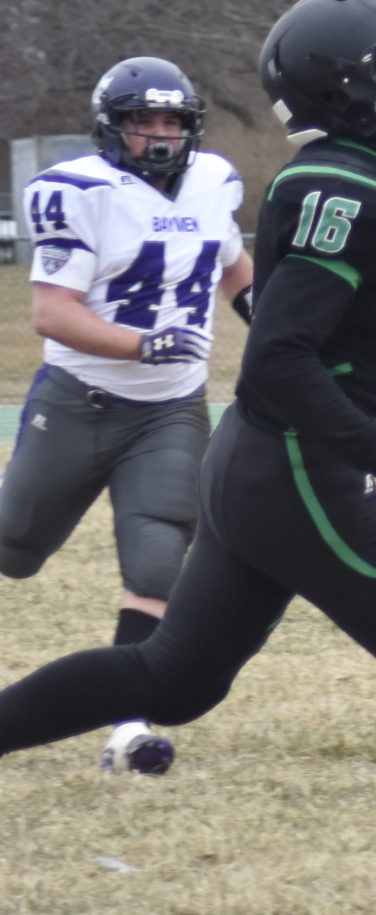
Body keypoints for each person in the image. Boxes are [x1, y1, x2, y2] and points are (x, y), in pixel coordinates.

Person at [0, 0, 376, 915]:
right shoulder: (337, 185)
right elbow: (281, 359)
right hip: (295, 468)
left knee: (172, 681)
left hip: (268, 464)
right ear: (344, 88)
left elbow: (354, 337)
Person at [9, 57, 255, 775]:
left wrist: (275, 325)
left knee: (156, 562)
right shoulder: (77, 190)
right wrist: (143, 341)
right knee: (15, 546)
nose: (157, 134)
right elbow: (51, 313)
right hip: (78, 399)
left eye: (171, 121)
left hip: (169, 409)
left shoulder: (213, 181)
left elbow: (233, 265)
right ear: (110, 127)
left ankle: (128, 722)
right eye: (140, 121)